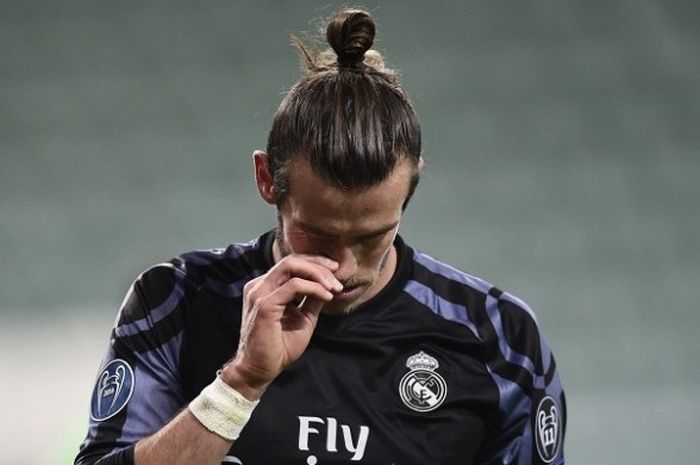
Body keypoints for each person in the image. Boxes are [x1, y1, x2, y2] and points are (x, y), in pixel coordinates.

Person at [75, 8, 566, 465]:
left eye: (374, 237)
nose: (345, 269)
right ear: (267, 180)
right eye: (317, 234)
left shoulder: (499, 339)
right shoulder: (176, 302)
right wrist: (241, 382)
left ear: (412, 184)